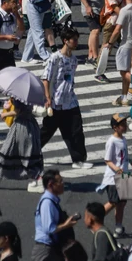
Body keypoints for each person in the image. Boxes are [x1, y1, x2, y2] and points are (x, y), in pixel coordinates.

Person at [41, 28, 91, 169]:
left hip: (71, 101)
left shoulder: (74, 60)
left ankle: (79, 160)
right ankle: (28, 153)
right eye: (73, 40)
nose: (76, 42)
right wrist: (47, 97)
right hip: (56, 103)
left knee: (76, 132)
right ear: (65, 41)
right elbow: (46, 78)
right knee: (45, 132)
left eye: (76, 39)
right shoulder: (55, 58)